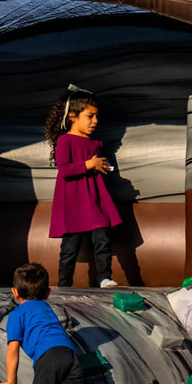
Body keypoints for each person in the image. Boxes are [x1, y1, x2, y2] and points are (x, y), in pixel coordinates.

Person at [44, 87, 122, 288]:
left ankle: (104, 278)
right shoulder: (64, 140)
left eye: (97, 116)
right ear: (72, 116)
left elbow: (95, 165)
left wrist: (103, 166)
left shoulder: (95, 143)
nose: (95, 121)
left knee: (103, 238)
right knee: (70, 248)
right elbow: (64, 170)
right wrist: (90, 164)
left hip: (95, 199)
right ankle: (64, 285)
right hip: (74, 202)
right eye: (90, 116)